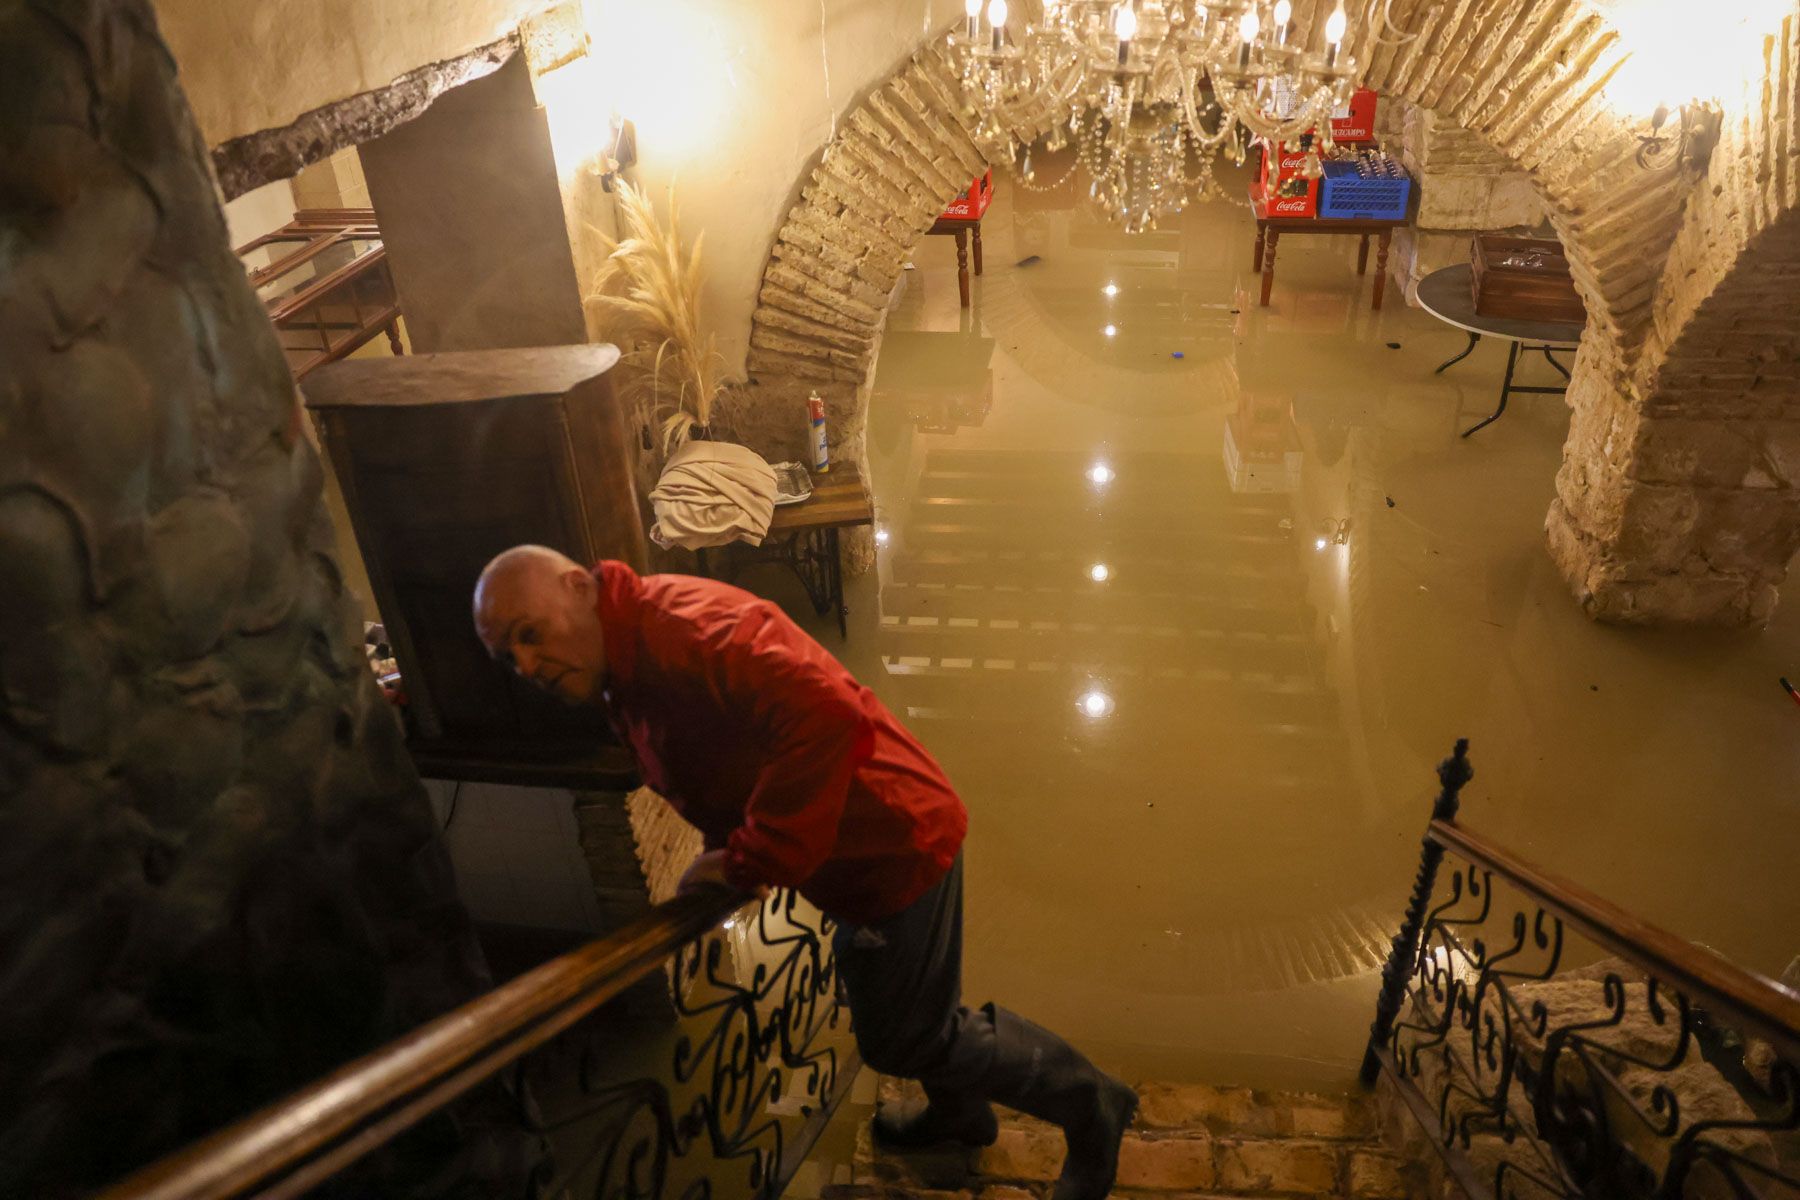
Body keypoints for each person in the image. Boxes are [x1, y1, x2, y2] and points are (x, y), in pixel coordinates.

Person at [472, 546, 1137, 1200]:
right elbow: (717, 755)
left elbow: (825, 713)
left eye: (530, 636)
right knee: (919, 1010)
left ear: (577, 588)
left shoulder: (686, 632)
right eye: (508, 657)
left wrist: (748, 861)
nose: (526, 665)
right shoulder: (626, 658)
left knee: (907, 1035)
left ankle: (1091, 1106)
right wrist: (729, 850)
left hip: (891, 841)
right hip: (845, 852)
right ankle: (962, 1116)